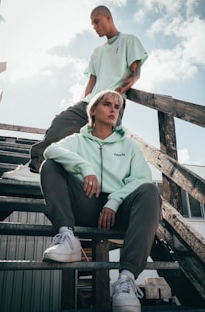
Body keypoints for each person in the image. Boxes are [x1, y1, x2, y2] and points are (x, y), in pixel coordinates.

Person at [40, 90, 161, 312]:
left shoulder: (129, 146)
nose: (114, 109)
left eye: (118, 106)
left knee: (150, 191)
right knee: (50, 165)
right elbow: (51, 149)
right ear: (93, 111)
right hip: (86, 203)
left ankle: (125, 281)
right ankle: (67, 237)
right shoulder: (77, 140)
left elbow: (142, 178)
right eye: (108, 104)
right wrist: (85, 167)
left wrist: (114, 201)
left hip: (119, 210)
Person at [2, 5, 148, 182]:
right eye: (92, 24)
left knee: (96, 145)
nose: (94, 27)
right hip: (89, 102)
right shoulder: (97, 52)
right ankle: (36, 168)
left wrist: (113, 95)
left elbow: (135, 74)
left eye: (96, 21)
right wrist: (81, 103)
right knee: (60, 123)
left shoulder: (129, 41)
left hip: (111, 104)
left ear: (108, 18)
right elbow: (91, 81)